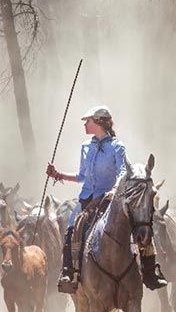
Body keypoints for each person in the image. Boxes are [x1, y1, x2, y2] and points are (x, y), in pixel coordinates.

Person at [45, 105, 167, 293]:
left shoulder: (117, 146)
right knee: (71, 225)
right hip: (87, 198)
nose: (85, 124)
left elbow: (123, 171)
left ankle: (150, 272)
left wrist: (113, 191)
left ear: (100, 123)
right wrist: (58, 175)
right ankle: (69, 271)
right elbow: (82, 176)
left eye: (88, 121)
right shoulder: (86, 147)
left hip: (110, 198)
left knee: (140, 222)